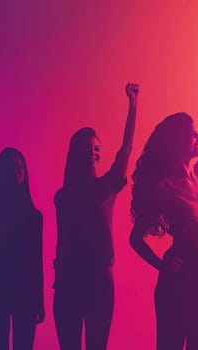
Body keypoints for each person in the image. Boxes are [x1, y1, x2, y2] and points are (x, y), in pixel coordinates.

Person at [129, 55, 198, 350]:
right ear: (176, 141)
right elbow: (135, 239)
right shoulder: (164, 187)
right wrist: (162, 265)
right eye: (192, 135)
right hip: (185, 271)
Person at [53, 83, 139, 350]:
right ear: (76, 153)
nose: (93, 152)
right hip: (68, 280)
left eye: (97, 149)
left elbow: (126, 149)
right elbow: (64, 240)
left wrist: (133, 105)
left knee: (97, 345)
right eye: (88, 148)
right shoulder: (63, 196)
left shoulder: (105, 187)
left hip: (99, 282)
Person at [0, 116, 44, 350]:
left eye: (20, 166)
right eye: (10, 166)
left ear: (25, 173)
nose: (16, 171)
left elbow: (37, 261)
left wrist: (40, 301)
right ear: (1, 171)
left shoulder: (34, 217)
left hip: (25, 289)